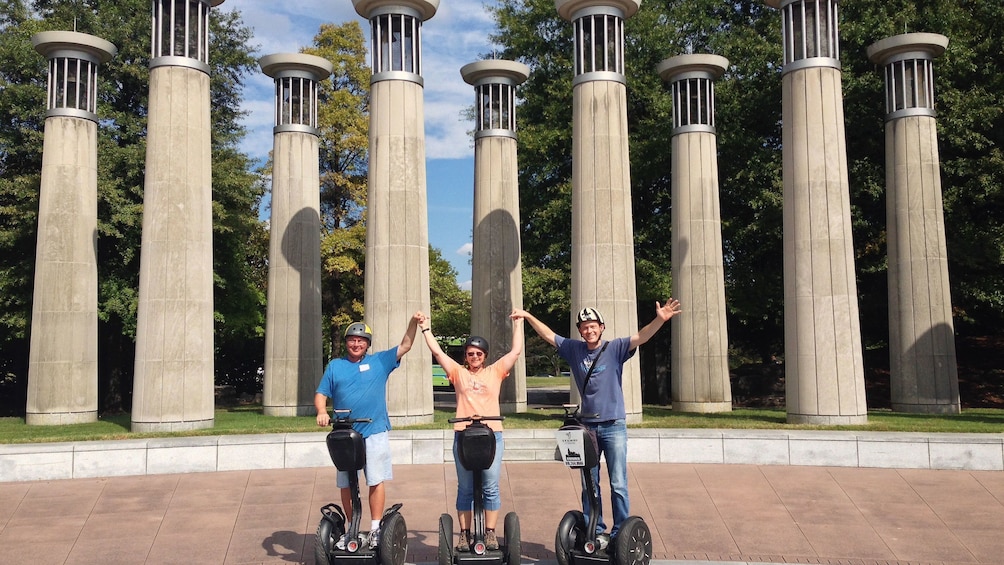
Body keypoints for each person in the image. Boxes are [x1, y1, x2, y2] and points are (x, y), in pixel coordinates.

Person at [511, 301, 681, 548]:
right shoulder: (573, 349)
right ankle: (595, 530)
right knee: (589, 485)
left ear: (601, 327)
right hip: (586, 428)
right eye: (584, 327)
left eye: (592, 326)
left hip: (613, 426)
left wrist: (660, 320)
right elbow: (549, 335)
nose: (588, 331)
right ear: (580, 331)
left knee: (618, 483)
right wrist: (527, 315)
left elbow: (641, 337)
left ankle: (620, 534)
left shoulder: (616, 348)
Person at [314, 313, 423, 549]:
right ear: (346, 343)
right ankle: (352, 526)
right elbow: (322, 392)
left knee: (375, 479)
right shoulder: (336, 366)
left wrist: (413, 322)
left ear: (367, 344)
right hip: (344, 432)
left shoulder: (380, 361)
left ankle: (374, 528)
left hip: (374, 429)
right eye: (352, 340)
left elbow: (406, 344)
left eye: (361, 341)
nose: (356, 344)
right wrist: (321, 411)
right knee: (345, 482)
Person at [418, 311, 524, 552]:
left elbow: (515, 352)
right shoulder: (458, 373)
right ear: (465, 357)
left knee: (490, 485)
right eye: (470, 354)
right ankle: (464, 535)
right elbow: (438, 352)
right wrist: (425, 328)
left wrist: (518, 324)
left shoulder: (495, 371)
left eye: (478, 354)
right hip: (464, 434)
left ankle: (490, 533)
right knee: (465, 486)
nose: (474, 357)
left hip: (491, 434)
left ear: (484, 357)